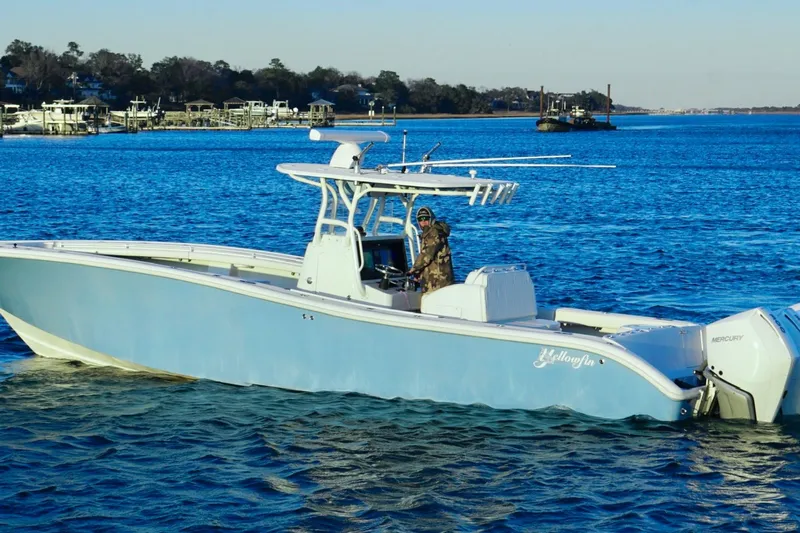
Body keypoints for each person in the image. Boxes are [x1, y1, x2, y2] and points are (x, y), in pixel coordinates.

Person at [407, 206, 454, 294]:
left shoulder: (434, 233)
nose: (423, 222)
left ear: (431, 219)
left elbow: (427, 255)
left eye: (426, 219)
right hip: (436, 280)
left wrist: (412, 270)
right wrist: (419, 274)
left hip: (438, 283)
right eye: (420, 219)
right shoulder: (429, 233)